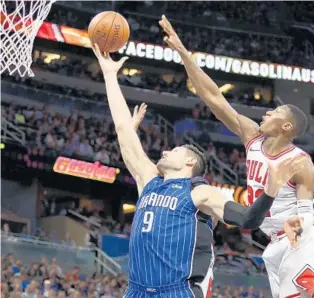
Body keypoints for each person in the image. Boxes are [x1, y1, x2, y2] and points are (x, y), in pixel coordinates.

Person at [92, 44, 307, 298]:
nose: (164, 152)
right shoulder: (148, 181)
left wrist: (270, 191)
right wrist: (108, 74)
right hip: (136, 292)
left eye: (173, 150)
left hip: (177, 291)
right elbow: (122, 129)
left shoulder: (201, 193)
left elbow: (249, 219)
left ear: (189, 163)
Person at [159, 15, 314, 297]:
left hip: (300, 241)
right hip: (273, 242)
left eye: (274, 113)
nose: (265, 113)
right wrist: (183, 53)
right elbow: (214, 98)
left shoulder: (300, 162)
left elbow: (306, 213)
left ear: (287, 127)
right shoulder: (252, 137)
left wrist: (301, 236)